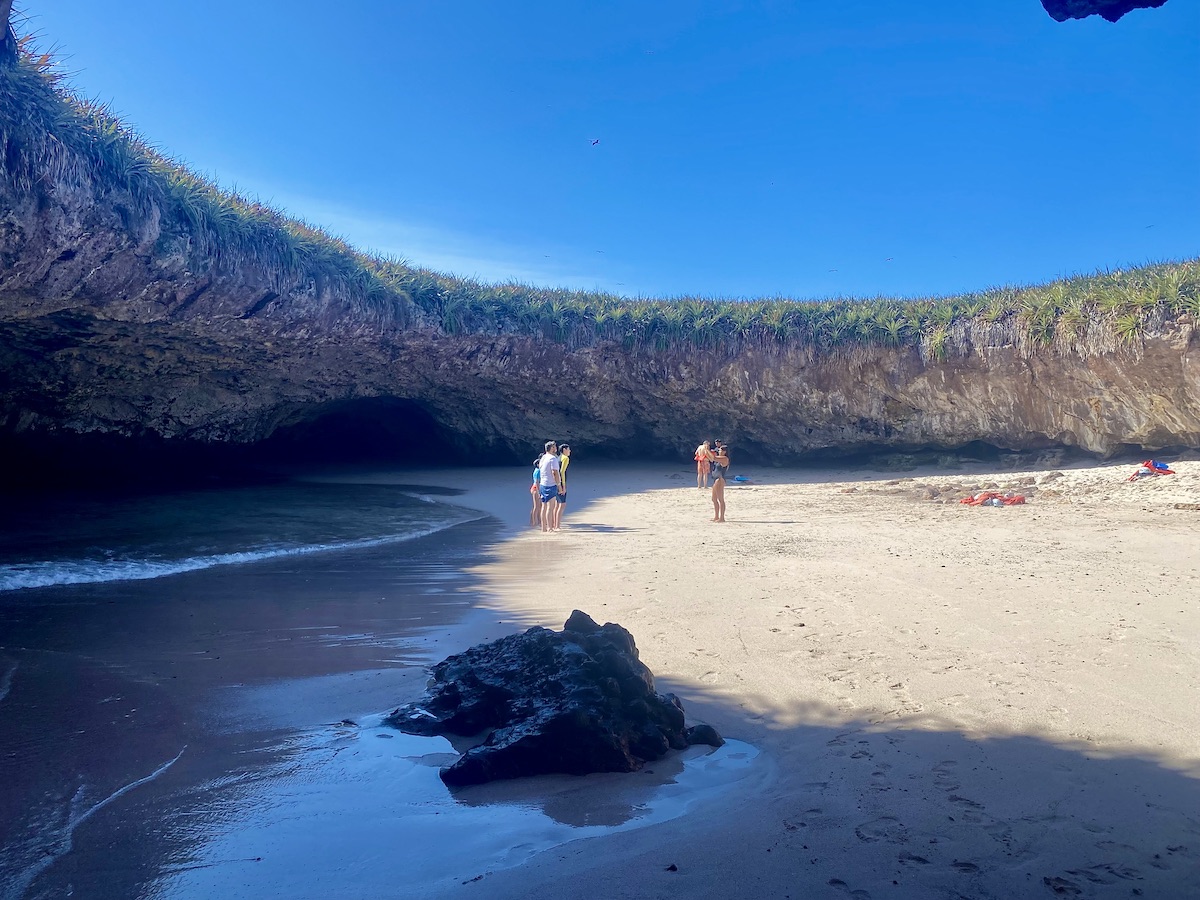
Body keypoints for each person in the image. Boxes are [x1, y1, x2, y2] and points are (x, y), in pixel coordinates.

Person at [537, 440, 563, 532]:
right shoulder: (553, 458)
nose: (556, 448)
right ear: (552, 448)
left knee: (544, 507)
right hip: (550, 485)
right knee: (550, 507)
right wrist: (559, 485)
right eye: (555, 446)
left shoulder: (543, 457)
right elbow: (555, 472)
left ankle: (544, 528)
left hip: (542, 484)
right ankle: (550, 528)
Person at [710, 441, 729, 522]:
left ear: (724, 451)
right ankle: (716, 516)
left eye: (720, 450)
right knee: (714, 499)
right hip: (715, 479)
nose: (719, 451)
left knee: (720, 499)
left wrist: (705, 448)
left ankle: (722, 518)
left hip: (720, 479)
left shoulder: (725, 459)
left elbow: (712, 458)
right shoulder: (719, 458)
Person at [553, 443, 571, 529]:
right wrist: (563, 486)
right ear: (564, 450)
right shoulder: (565, 458)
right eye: (568, 449)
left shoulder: (558, 458)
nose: (569, 451)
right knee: (562, 505)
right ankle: (557, 525)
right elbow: (562, 472)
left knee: (557, 504)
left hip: (555, 483)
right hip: (560, 483)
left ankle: (554, 523)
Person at [529, 456, 543, 527]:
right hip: (536, 489)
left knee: (539, 506)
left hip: (535, 488)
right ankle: (533, 522)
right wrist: (539, 492)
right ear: (538, 464)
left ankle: (538, 521)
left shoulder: (536, 470)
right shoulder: (538, 471)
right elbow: (537, 482)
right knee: (536, 506)